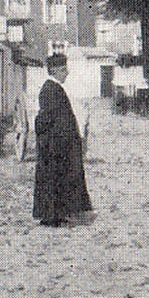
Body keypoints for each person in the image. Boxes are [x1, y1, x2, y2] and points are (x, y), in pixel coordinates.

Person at [33, 52, 93, 227]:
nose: (67, 73)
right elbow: (46, 120)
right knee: (53, 180)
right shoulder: (50, 90)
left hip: (60, 145)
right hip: (54, 147)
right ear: (55, 71)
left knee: (59, 179)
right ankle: (50, 216)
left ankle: (58, 213)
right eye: (63, 69)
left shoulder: (55, 89)